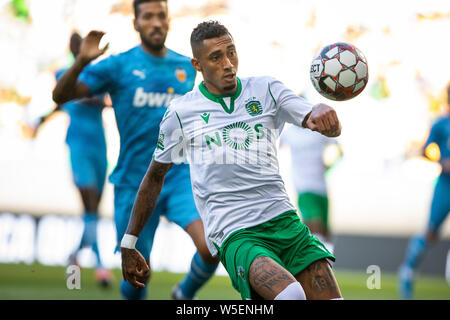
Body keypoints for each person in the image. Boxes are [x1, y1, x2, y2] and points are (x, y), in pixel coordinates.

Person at [120, 20, 343, 300]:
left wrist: (327, 116)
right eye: (216, 57)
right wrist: (129, 243)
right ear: (197, 64)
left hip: (286, 222)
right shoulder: (182, 112)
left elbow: (316, 119)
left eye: (232, 52)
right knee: (291, 296)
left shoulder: (266, 89)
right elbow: (154, 176)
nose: (228, 63)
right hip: (236, 233)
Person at [52, 0, 219, 300]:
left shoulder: (186, 65)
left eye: (161, 16)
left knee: (211, 246)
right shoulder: (118, 65)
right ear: (136, 23)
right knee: (138, 275)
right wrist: (80, 63)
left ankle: (184, 295)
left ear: (168, 21)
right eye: (148, 17)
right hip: (134, 182)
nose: (156, 22)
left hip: (180, 177)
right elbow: (61, 96)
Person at [34, 32, 112, 287]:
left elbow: (96, 100)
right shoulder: (64, 75)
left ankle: (74, 256)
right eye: (76, 45)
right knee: (89, 206)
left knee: (93, 212)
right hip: (78, 147)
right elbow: (65, 100)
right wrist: (41, 121)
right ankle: (101, 267)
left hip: (100, 147)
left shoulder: (97, 75)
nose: (80, 48)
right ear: (72, 49)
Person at [399, 84, 450, 300]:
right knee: (430, 231)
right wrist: (442, 160)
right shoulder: (441, 123)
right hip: (446, 185)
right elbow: (427, 149)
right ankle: (408, 271)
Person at [280, 119, 341, 254]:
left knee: (325, 232)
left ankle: (327, 265)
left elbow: (339, 149)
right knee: (314, 228)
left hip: (321, 188)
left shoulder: (318, 132)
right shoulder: (289, 133)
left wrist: (329, 166)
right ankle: (315, 265)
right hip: (304, 187)